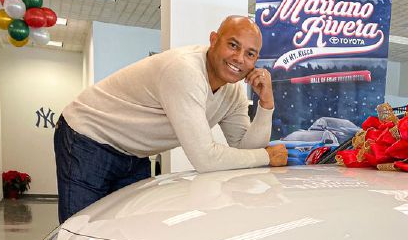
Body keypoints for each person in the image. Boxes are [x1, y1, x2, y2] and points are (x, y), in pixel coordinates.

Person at [54, 15, 287, 223]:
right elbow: (206, 159)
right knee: (79, 236)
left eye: (250, 54)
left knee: (125, 235)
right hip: (88, 135)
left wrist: (266, 105)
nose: (239, 58)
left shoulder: (232, 90)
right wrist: (266, 156)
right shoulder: (185, 70)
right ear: (214, 40)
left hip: (134, 153)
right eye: (233, 45)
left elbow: (244, 149)